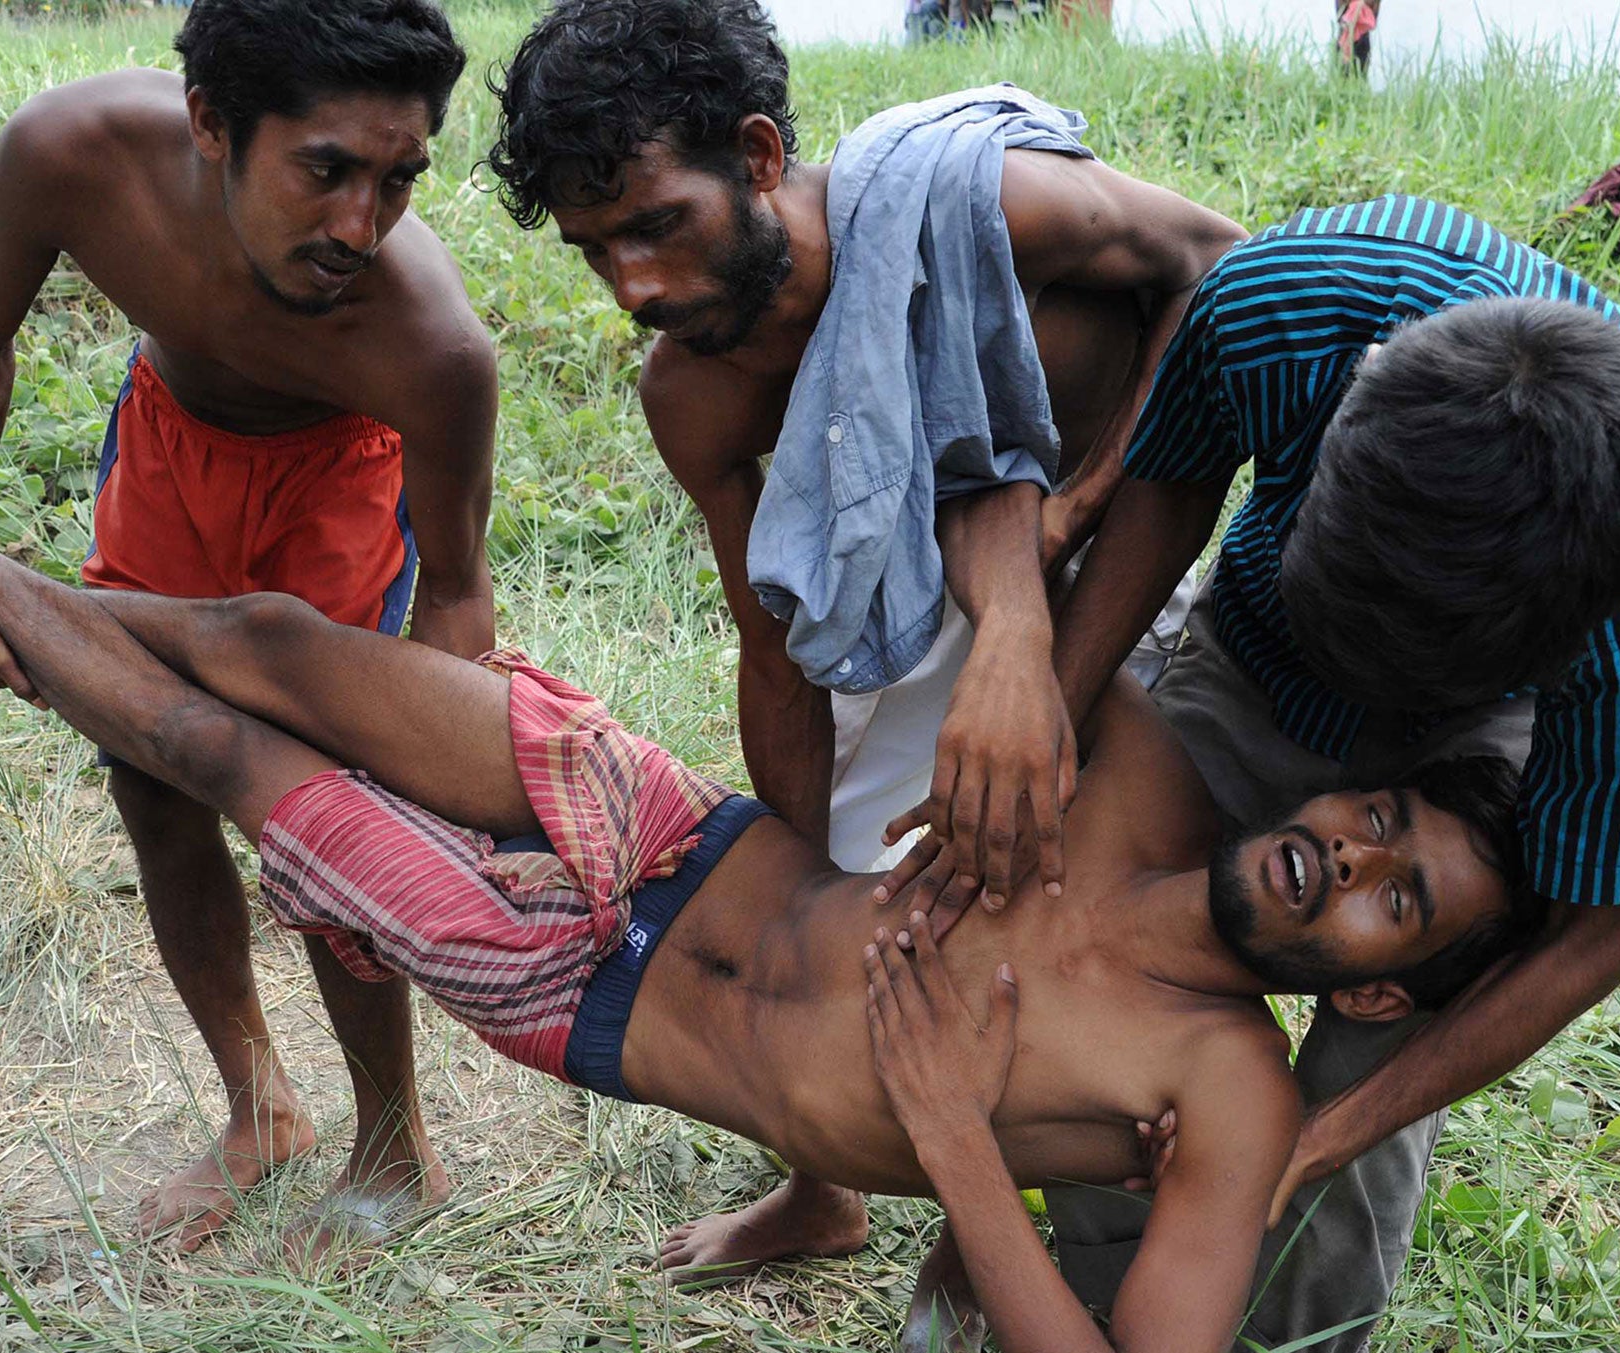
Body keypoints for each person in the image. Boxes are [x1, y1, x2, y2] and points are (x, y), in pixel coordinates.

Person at [0, 369, 1535, 1353]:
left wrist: (955, 1152)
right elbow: (1008, 496)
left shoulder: (1214, 1089)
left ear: (1372, 990)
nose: (1347, 856)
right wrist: (998, 637)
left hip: (583, 985)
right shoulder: (1126, 774)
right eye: (1377, 818)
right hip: (664, 832)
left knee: (216, 748)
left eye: (1395, 896)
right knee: (265, 633)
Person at [881, 200, 1620, 1353]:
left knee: (1391, 1035)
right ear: (1343, 418)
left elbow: (1597, 932)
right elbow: (1165, 498)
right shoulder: (1282, 307)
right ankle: (1092, 1313)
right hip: (1263, 641)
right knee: (1099, 943)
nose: (1342, 841)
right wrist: (1045, 730)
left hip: (1471, 740)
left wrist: (1322, 1135)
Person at [488, 0, 1246, 1275]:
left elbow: (1223, 272)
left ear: (760, 154)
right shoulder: (694, 389)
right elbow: (774, 647)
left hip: (1117, 579)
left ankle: (983, 1234)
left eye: (657, 225)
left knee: (1034, 904)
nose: (635, 288)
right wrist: (804, 874)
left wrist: (1083, 502)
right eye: (594, 251)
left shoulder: (990, 206)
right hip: (894, 623)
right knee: (872, 905)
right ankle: (822, 1190)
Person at [0, 0, 499, 1257]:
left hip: (337, 483)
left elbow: (452, 591)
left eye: (396, 181)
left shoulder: (429, 345)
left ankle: (394, 1142)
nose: (358, 227)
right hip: (170, 451)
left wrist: (443, 782)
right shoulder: (68, 157)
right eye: (325, 171)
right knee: (152, 776)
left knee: (330, 828)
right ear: (212, 125)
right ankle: (256, 1110)